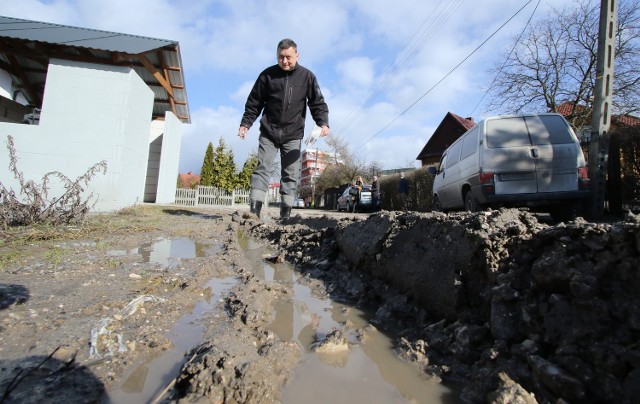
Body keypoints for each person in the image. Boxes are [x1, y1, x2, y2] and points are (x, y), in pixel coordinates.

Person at [238, 38, 330, 220]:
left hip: (293, 134)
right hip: (269, 131)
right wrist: (245, 123)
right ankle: (254, 211)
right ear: (277, 56)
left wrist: (323, 123)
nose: (285, 61)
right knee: (262, 168)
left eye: (288, 57)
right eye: (281, 57)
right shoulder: (267, 76)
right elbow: (254, 102)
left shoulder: (307, 77)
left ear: (297, 55)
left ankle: (285, 214)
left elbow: (317, 102)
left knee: (291, 173)